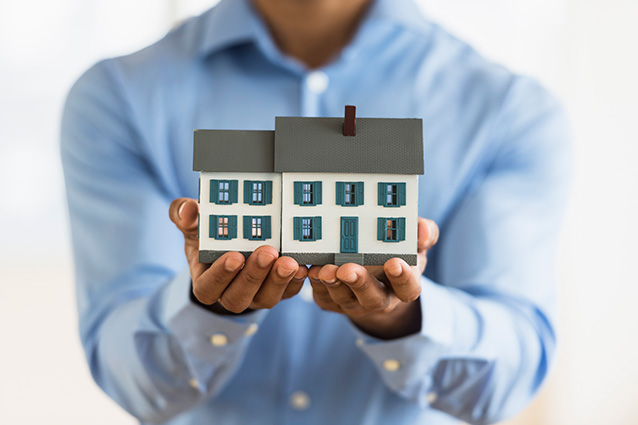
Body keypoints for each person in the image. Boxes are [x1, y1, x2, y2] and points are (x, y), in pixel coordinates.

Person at [60, 0, 571, 423]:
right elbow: (132, 375)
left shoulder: (509, 110)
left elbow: (506, 378)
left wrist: (403, 319)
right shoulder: (120, 99)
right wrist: (207, 308)